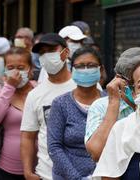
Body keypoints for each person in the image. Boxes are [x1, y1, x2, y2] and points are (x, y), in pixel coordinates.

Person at [20, 33, 76, 180]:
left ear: (66, 52)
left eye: (51, 50)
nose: (46, 56)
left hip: (84, 173)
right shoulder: (35, 95)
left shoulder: (85, 86)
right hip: (46, 174)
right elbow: (28, 136)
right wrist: (27, 171)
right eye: (42, 53)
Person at [85, 47, 140, 162]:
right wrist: (113, 102)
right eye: (134, 83)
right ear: (118, 79)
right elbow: (96, 153)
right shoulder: (101, 106)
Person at [47, 47, 105, 179]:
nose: (85, 69)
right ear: (72, 70)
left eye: (91, 65)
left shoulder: (110, 103)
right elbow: (54, 147)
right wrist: (76, 178)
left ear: (100, 70)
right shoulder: (60, 103)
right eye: (80, 66)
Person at [0, 47, 35, 180]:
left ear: (30, 70)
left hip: (37, 167)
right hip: (3, 168)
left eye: (21, 67)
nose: (16, 72)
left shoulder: (39, 90)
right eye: (11, 67)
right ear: (5, 70)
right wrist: (9, 87)